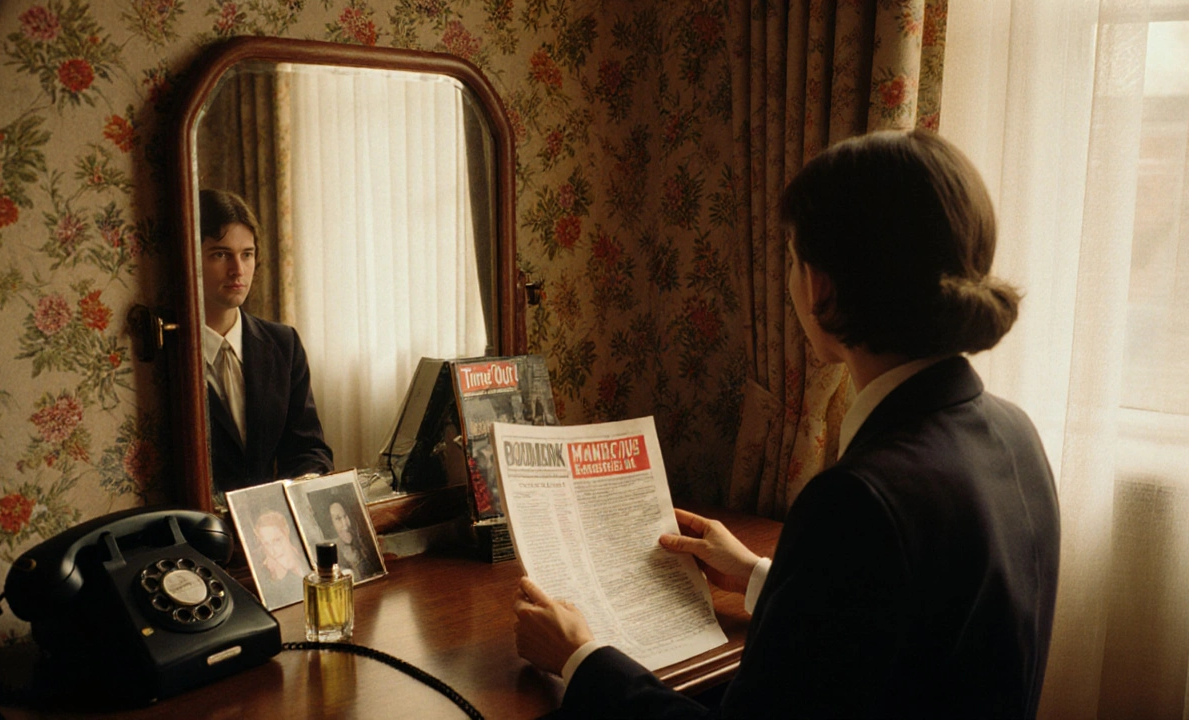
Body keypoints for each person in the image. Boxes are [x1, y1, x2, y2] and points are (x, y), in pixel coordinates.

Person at [512, 130, 1062, 718]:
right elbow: (898, 630)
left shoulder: (856, 501)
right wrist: (755, 574)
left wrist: (579, 656)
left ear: (820, 286)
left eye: (794, 258)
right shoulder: (1013, 433)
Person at [200, 188, 333, 494]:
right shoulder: (168, 351)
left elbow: (309, 449)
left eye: (247, 254)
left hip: (270, 524)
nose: (238, 270)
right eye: (220, 254)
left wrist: (303, 488)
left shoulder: (283, 343)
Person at [251, 509, 310, 607]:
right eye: (267, 544)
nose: (274, 552)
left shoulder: (308, 559)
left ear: (286, 532)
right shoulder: (276, 587)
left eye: (277, 541)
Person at [320, 496, 379, 581]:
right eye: (338, 519)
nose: (345, 524)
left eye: (345, 516)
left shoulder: (364, 541)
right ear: (332, 525)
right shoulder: (335, 553)